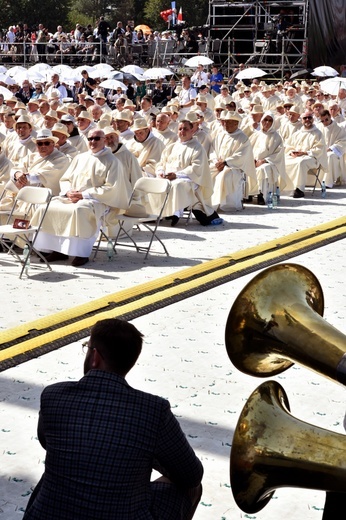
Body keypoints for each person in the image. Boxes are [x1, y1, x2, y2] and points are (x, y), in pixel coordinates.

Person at [22, 318, 203, 520]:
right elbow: (191, 475)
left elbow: (47, 442)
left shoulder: (53, 395)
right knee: (191, 489)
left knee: (54, 475)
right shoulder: (153, 410)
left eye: (87, 347)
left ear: (95, 357)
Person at [31, 129, 130, 267]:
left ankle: (81, 253)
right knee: (48, 207)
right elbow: (65, 179)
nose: (92, 142)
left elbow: (111, 188)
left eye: (96, 138)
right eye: (90, 139)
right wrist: (68, 191)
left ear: (104, 140)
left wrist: (84, 194)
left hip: (97, 200)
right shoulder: (80, 158)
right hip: (72, 196)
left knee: (80, 210)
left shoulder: (112, 161)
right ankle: (57, 250)